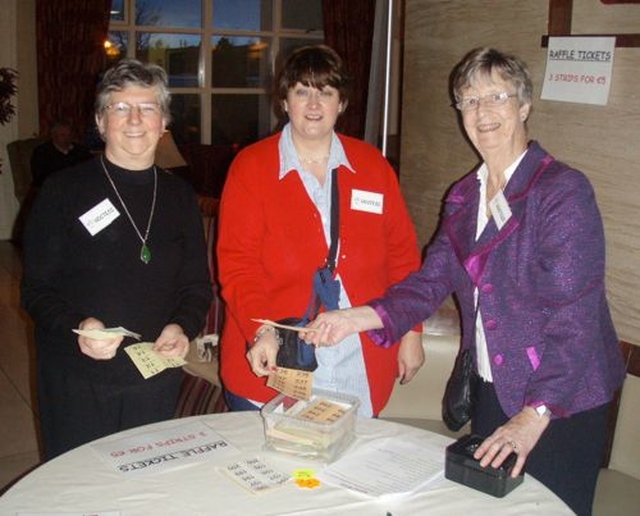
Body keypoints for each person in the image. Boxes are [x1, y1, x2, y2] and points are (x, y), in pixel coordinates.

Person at [302, 47, 626, 516]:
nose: (483, 111)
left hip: (560, 401)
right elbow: (429, 281)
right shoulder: (464, 196)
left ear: (524, 106)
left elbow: (575, 321)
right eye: (469, 100)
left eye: (497, 96)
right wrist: (355, 318)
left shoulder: (561, 192)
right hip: (494, 388)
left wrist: (531, 418)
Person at [216, 45, 423, 417]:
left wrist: (411, 331)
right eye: (302, 91)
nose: (314, 105)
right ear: (284, 100)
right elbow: (237, 266)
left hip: (360, 355)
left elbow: (404, 257)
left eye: (325, 92)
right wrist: (260, 331)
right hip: (278, 357)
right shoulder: (251, 168)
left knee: (347, 469)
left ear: (341, 103)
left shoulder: (372, 166)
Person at [21, 59, 213, 460]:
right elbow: (36, 290)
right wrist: (79, 325)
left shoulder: (180, 197)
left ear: (163, 123)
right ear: (100, 120)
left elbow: (197, 285)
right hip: (78, 377)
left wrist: (183, 326)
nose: (134, 120)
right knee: (80, 487)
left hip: (153, 375)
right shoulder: (62, 190)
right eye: (120, 108)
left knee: (142, 486)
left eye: (147, 108)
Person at [30, 120, 93, 187]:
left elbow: (91, 168)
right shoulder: (42, 152)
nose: (67, 138)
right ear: (54, 136)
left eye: (69, 135)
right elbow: (41, 178)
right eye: (63, 135)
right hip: (55, 187)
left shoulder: (81, 151)